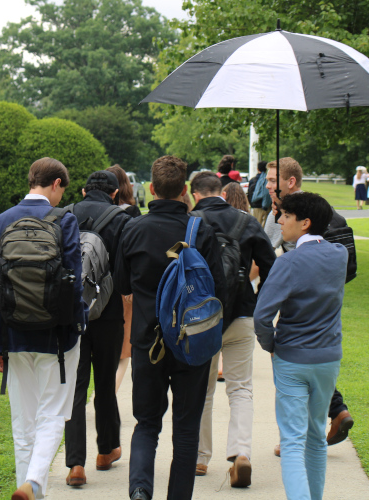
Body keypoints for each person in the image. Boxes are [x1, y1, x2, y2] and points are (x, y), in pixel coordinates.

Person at [114, 155, 226, 500]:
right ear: (184, 191)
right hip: (192, 342)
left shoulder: (132, 228)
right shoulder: (201, 230)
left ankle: (140, 490)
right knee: (187, 428)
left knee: (146, 424)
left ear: (150, 188)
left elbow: (121, 284)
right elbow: (218, 289)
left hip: (149, 341)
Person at [0, 157, 88, 500]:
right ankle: (36, 483)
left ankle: (26, 486)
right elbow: (73, 281)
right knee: (53, 413)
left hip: (11, 333)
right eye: (62, 190)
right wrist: (76, 322)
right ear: (56, 183)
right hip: (57, 336)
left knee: (22, 423)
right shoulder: (64, 220)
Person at [254, 191, 348, 500]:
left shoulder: (288, 263)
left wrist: (271, 345)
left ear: (305, 223)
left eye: (286, 216)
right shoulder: (339, 255)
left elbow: (262, 315)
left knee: (293, 441)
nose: (279, 220)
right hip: (328, 359)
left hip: (292, 359)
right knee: (315, 438)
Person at [189, 172, 276, 486]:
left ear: (194, 193)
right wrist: (261, 304)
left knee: (204, 390)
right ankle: (240, 452)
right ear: (221, 193)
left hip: (202, 318)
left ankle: (199, 457)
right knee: (240, 388)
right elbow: (271, 268)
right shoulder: (246, 223)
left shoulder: (191, 223)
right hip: (240, 313)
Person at [264, 157, 354, 456]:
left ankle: (292, 440)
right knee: (315, 368)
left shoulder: (296, 217)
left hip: (297, 314)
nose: (267, 185)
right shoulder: (333, 241)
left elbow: (266, 250)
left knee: (296, 373)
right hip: (326, 335)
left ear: (291, 182)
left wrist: (271, 343)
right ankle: (335, 410)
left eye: (273, 180)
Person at [64, 171, 132, 487]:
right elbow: (124, 273)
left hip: (72, 312)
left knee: (76, 388)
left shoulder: (67, 215)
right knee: (105, 383)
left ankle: (75, 464)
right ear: (115, 193)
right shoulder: (122, 219)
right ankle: (106, 451)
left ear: (83, 190)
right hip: (108, 310)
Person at [107, 165, 141, 394]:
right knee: (124, 349)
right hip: (124, 286)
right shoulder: (131, 213)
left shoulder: (100, 212)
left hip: (99, 285)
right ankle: (108, 393)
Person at [250, 161, 272, 226]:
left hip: (256, 206)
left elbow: (249, 193)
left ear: (258, 169)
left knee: (256, 226)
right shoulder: (268, 179)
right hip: (267, 206)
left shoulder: (253, 180)